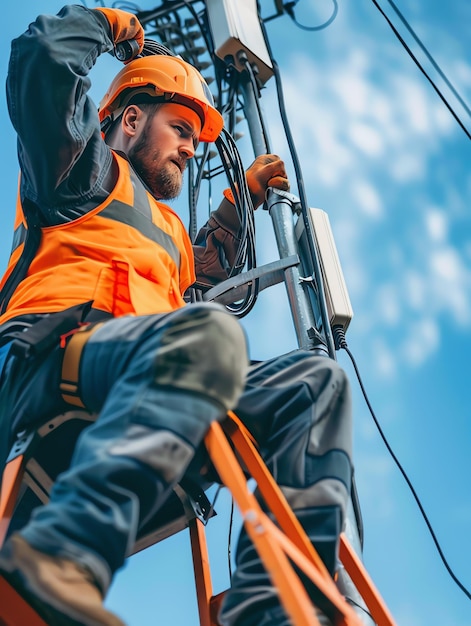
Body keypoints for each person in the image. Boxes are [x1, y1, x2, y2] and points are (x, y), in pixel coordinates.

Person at [0, 6, 352, 626]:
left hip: (139, 375)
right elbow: (46, 57)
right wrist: (119, 28)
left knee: (314, 384)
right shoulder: (80, 169)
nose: (193, 147)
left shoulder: (171, 236)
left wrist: (239, 203)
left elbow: (197, 286)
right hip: (46, 359)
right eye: (181, 128)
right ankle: (65, 549)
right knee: (210, 337)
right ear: (130, 120)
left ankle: (270, 609)